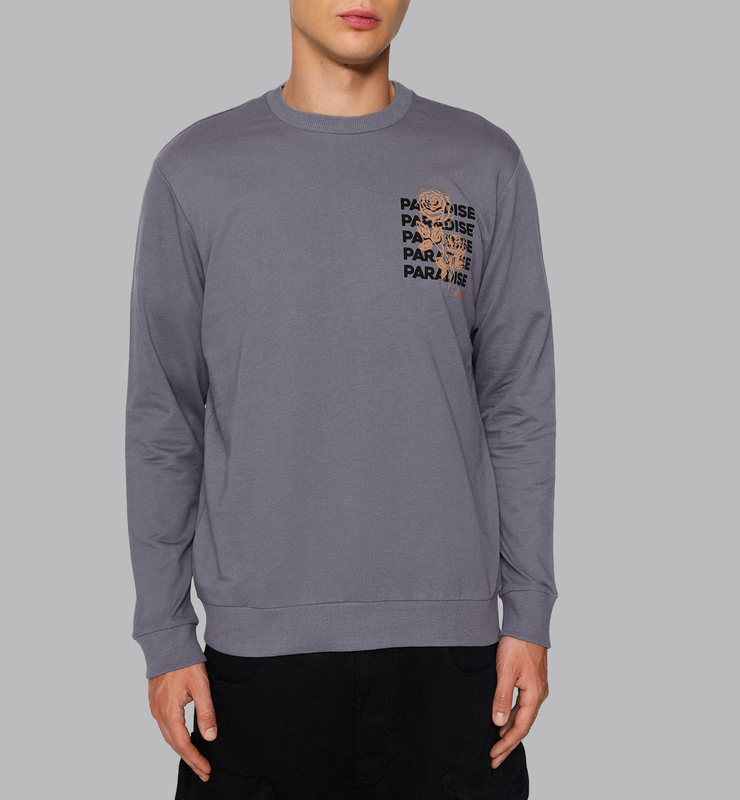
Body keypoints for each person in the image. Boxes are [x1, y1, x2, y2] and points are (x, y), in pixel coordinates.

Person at [124, 2, 558, 797]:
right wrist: (164, 632)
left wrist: (529, 612)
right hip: (255, 664)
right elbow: (165, 418)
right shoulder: (197, 171)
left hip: (453, 658)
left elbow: (517, 403)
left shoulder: (482, 161)